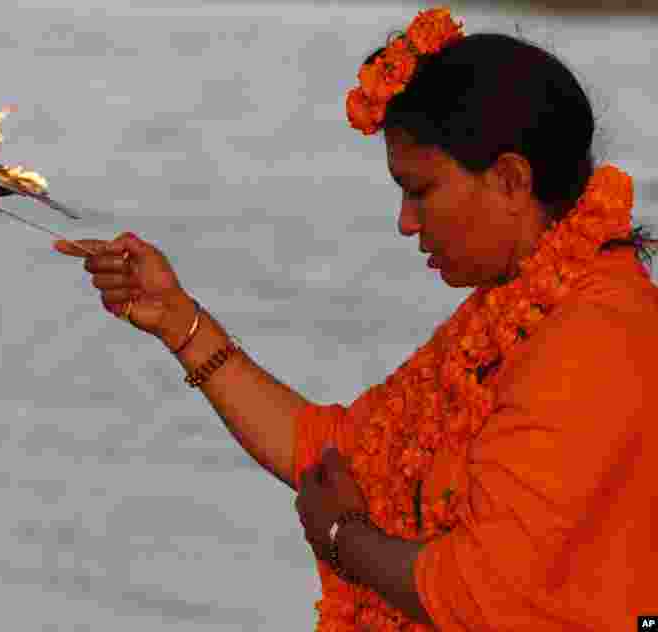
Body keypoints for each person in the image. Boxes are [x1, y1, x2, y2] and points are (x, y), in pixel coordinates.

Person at [53, 8, 658, 630]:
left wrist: (343, 535)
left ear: (509, 178)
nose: (406, 221)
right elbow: (335, 456)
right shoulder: (512, 310)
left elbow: (479, 596)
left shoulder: (593, 337)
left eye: (420, 190)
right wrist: (178, 320)